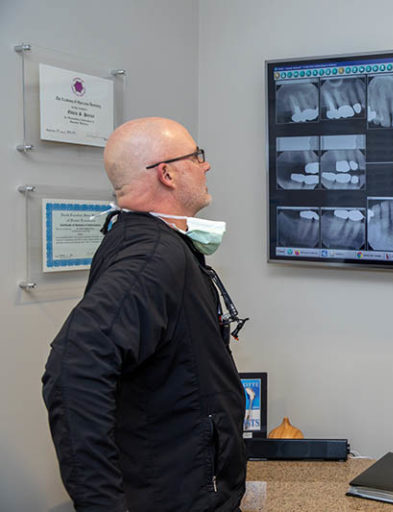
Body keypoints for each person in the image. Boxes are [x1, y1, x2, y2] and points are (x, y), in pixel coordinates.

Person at [42, 117, 248, 512]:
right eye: (196, 157)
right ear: (167, 174)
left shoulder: (141, 240)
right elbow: (74, 368)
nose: (205, 166)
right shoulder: (151, 258)